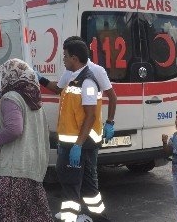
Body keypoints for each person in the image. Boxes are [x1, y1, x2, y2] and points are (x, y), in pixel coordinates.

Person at [55, 39, 110, 222]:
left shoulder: (87, 83)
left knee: (71, 183)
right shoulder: (74, 77)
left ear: (74, 58)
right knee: (87, 183)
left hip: (77, 143)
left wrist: (78, 145)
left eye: (65, 56)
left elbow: (90, 116)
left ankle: (72, 217)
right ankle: (97, 217)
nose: (63, 59)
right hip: (74, 141)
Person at [0, 58, 53, 222]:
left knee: (9, 216)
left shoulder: (11, 97)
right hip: (32, 167)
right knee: (34, 216)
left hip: (13, 170)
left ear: (10, 76)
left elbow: (14, 129)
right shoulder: (34, 100)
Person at [38, 36, 117, 143]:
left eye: (66, 55)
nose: (64, 58)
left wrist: (110, 122)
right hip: (71, 134)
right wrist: (40, 78)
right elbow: (58, 89)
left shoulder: (97, 71)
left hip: (89, 135)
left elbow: (112, 97)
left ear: (76, 55)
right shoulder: (70, 70)